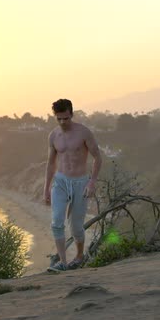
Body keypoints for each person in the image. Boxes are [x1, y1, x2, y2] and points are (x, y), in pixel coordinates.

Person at [44, 99, 102, 272]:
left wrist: (92, 182)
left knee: (76, 226)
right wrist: (46, 188)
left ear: (71, 114)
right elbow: (50, 164)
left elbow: (97, 158)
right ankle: (63, 262)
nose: (63, 122)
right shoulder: (53, 136)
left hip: (80, 182)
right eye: (59, 119)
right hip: (60, 182)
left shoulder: (84, 133)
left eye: (66, 118)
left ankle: (79, 256)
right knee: (56, 223)